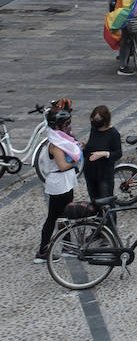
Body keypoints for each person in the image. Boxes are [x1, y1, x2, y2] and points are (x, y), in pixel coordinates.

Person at [34, 102, 81, 263]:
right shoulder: (56, 145)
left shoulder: (56, 139)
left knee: (61, 215)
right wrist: (74, 163)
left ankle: (64, 246)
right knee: (56, 216)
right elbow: (62, 166)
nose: (69, 127)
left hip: (62, 183)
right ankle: (43, 252)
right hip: (60, 184)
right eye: (66, 124)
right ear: (59, 126)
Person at [83, 105, 119, 203]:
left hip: (104, 174)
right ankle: (99, 217)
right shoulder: (94, 129)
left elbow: (118, 153)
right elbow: (91, 147)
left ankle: (109, 218)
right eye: (93, 119)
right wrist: (84, 148)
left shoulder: (113, 133)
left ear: (105, 119)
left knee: (106, 202)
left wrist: (104, 154)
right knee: (94, 201)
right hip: (90, 172)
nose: (94, 121)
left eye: (97, 119)